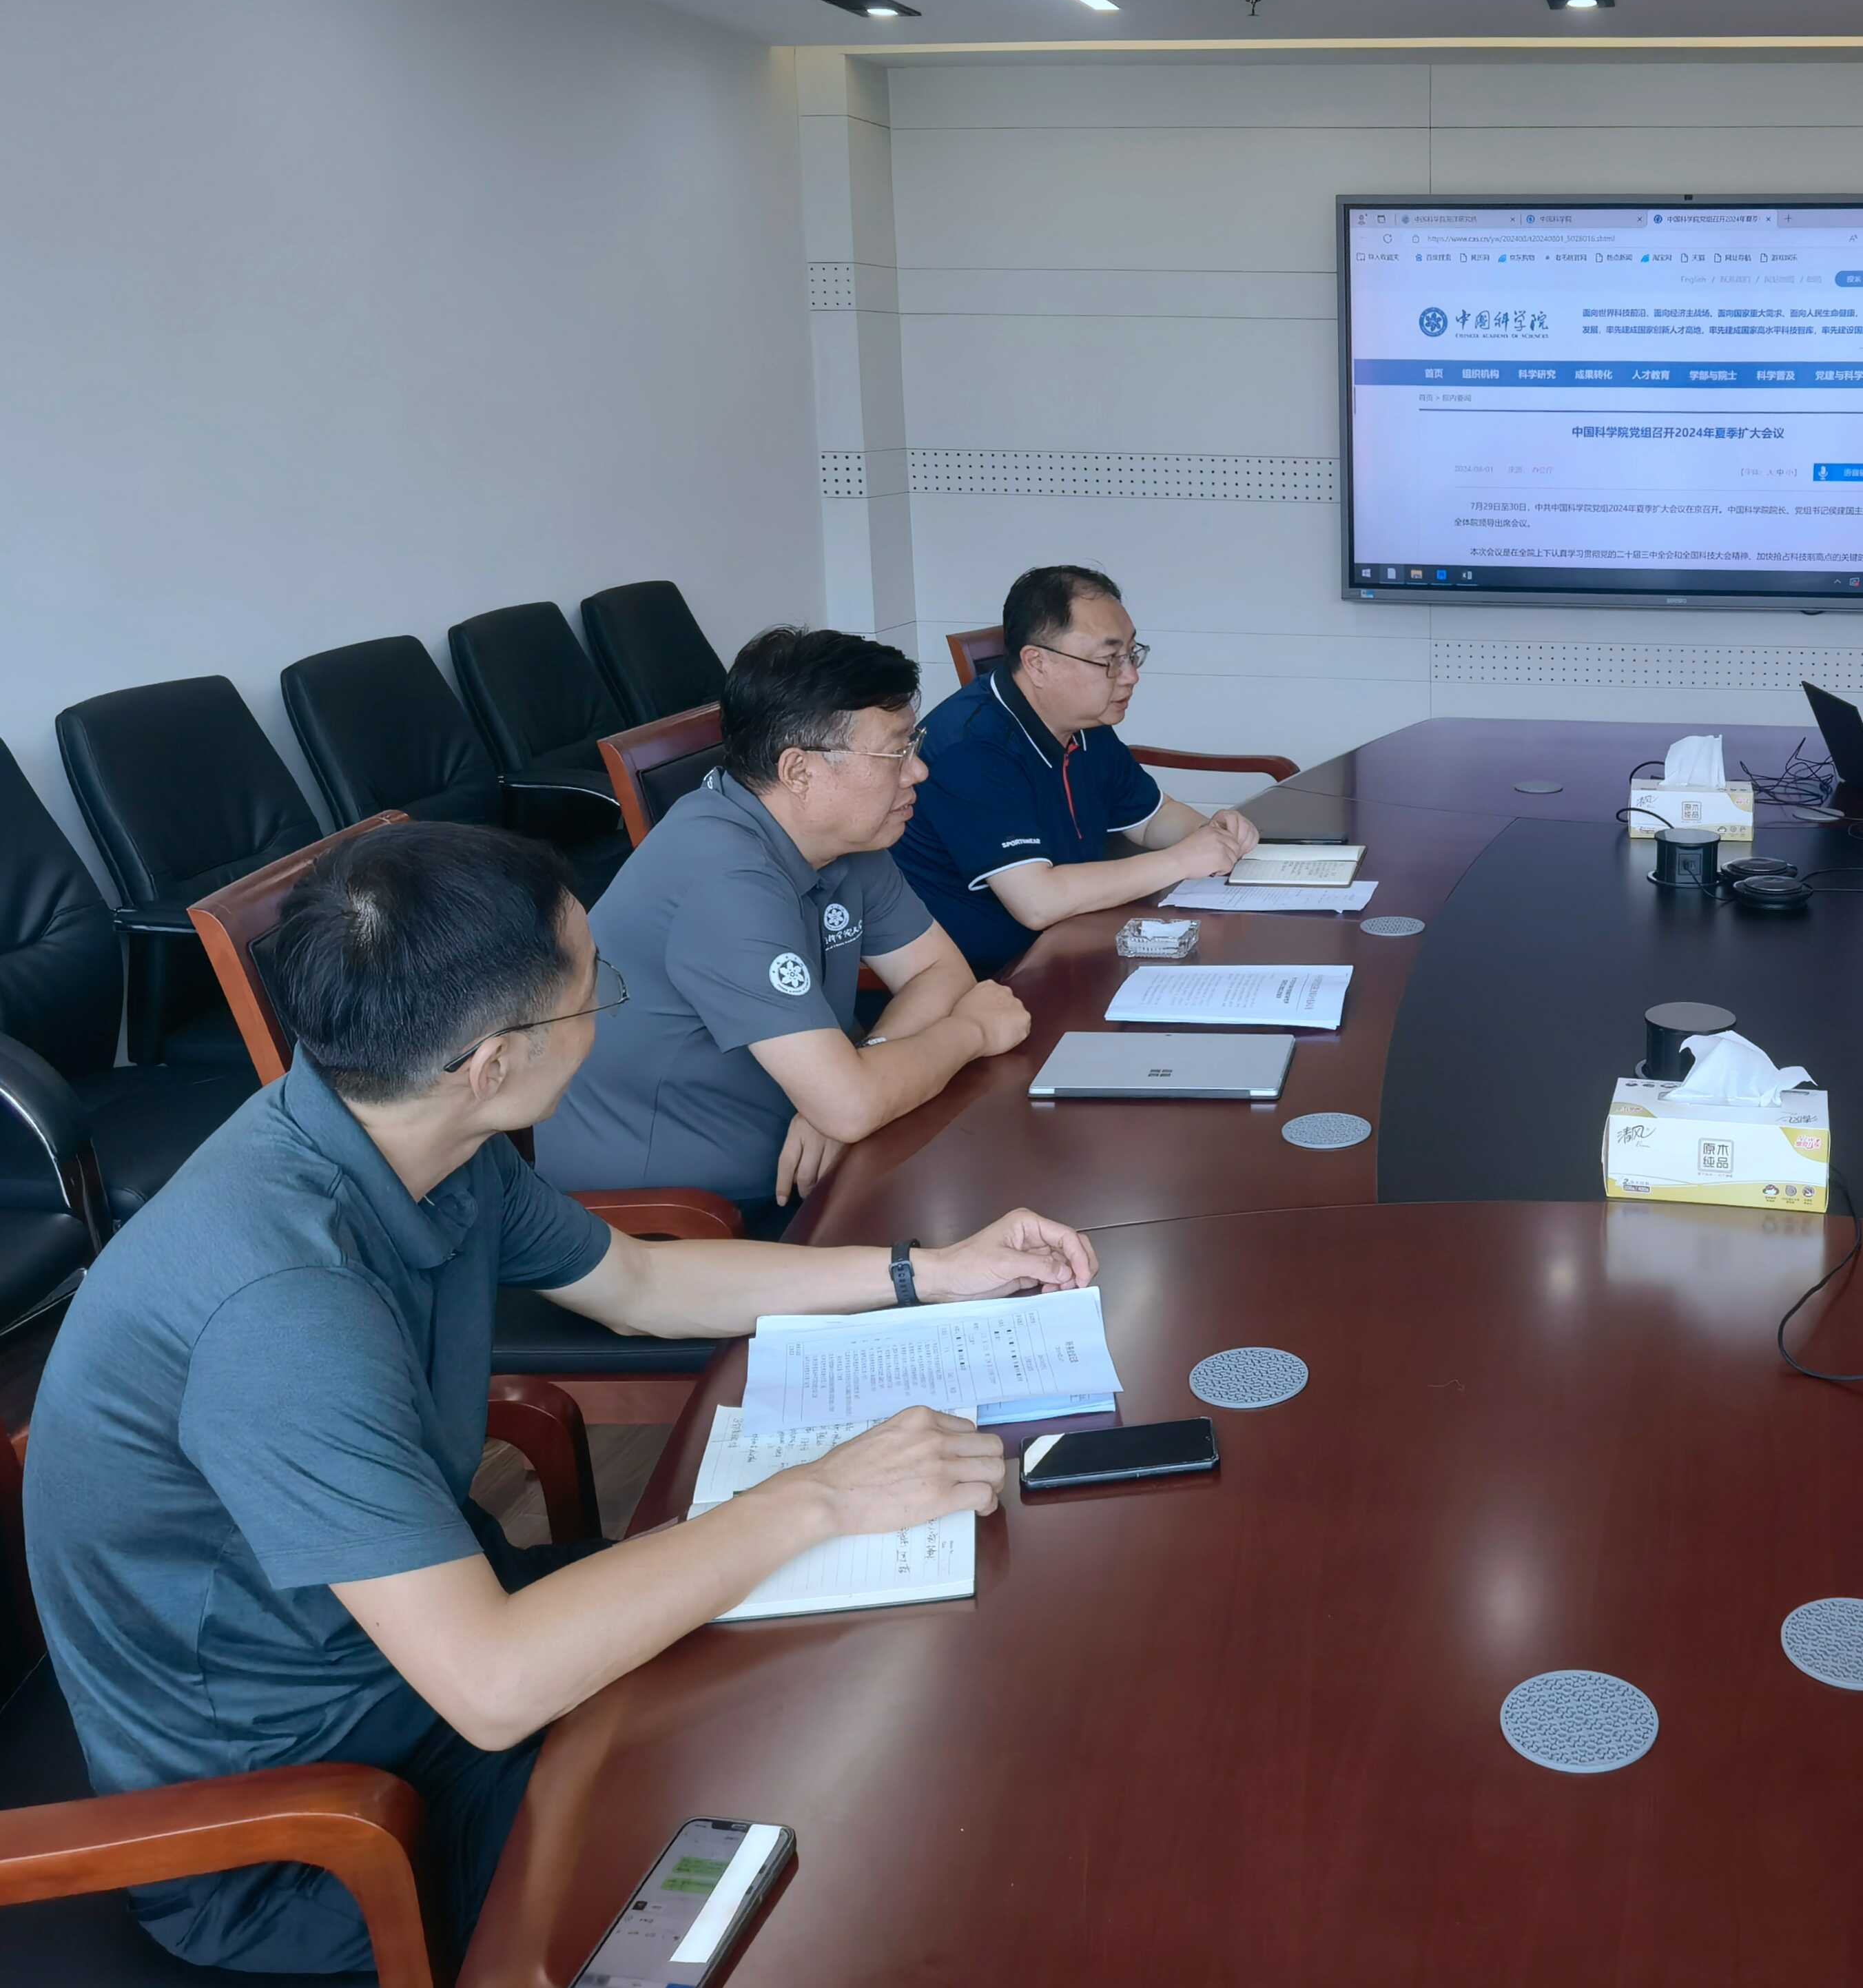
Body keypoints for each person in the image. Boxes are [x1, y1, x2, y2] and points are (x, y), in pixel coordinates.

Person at [22, 822, 1095, 1975]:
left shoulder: (414, 1132)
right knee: (824, 1833)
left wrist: (932, 1272)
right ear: (493, 1060)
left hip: (420, 1655)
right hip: (315, 1820)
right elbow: (492, 1688)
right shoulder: (280, 1307)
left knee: (841, 1668)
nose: (606, 1006)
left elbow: (638, 1283)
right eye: (595, 989)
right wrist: (820, 1495)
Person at [537, 626, 1028, 1231]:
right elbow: (853, 1103)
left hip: (809, 1159)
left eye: (914, 744)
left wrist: (862, 1073)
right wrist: (972, 1031)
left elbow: (939, 972)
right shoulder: (722, 879)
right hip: (681, 1218)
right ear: (799, 770)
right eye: (896, 753)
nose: (919, 772)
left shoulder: (844, 834)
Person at [893, 565, 1263, 976]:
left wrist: (1213, 835)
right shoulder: (972, 747)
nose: (1131, 676)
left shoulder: (1083, 722)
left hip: (1076, 940)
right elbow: (1037, 902)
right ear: (1037, 663)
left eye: (1132, 654)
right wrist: (1181, 861)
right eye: (1109, 660)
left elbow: (1150, 818)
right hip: (992, 976)